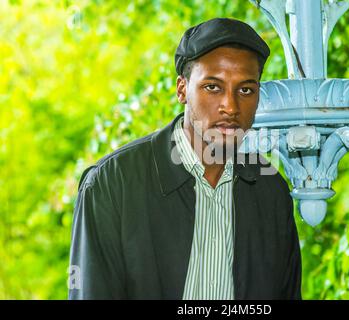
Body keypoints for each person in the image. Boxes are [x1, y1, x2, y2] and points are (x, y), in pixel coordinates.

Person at [68, 17, 301, 300]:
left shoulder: (271, 191)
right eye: (213, 87)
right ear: (182, 89)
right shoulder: (112, 184)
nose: (230, 106)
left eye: (245, 90)